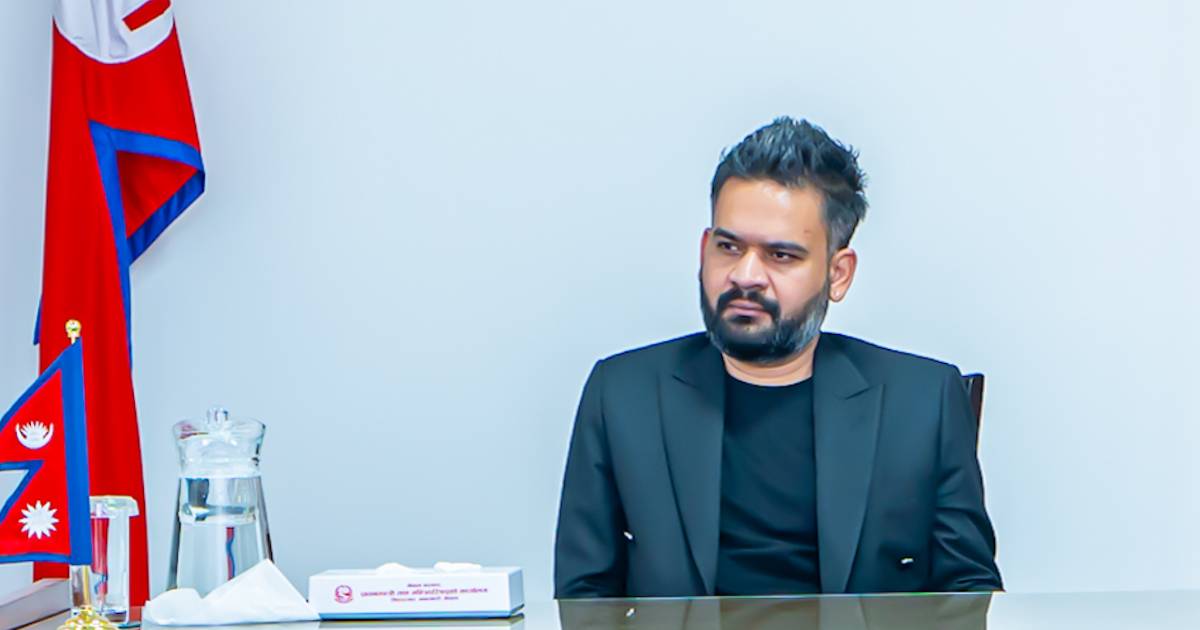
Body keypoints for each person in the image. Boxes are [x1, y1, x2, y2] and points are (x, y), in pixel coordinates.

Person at [554, 117, 1001, 598]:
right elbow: (584, 596)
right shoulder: (623, 393)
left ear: (838, 273)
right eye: (729, 247)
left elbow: (969, 591)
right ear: (704, 249)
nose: (745, 276)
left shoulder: (924, 399)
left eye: (781, 256)